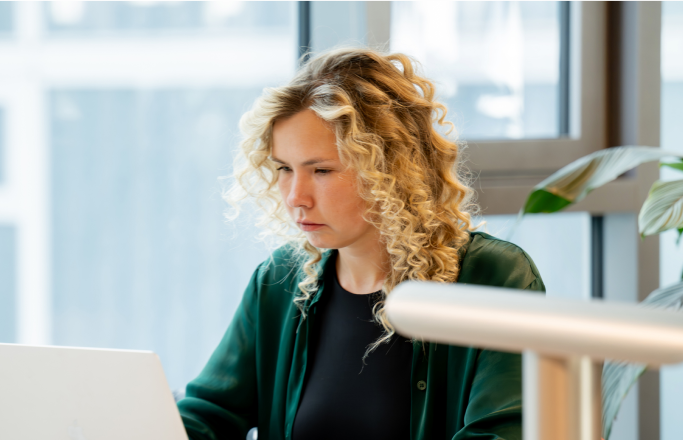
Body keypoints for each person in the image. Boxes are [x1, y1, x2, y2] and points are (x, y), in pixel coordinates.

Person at [177, 47, 545, 440]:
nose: (295, 196)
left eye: (321, 170)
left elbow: (501, 434)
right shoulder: (280, 280)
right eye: (284, 169)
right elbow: (208, 415)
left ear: (391, 169)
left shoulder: (493, 277)